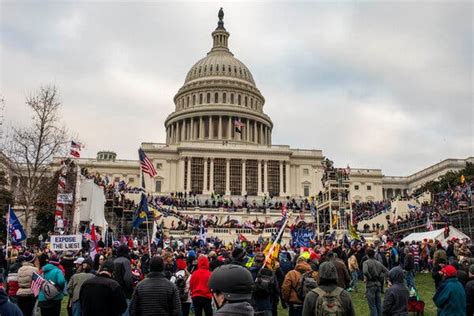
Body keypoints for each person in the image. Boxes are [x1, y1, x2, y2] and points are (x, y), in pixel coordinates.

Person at [363, 248, 388, 316]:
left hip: (370, 285)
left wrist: (369, 276)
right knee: (378, 304)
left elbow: (365, 271)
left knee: (372, 305)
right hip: (378, 284)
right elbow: (387, 271)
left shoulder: (366, 262)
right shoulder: (378, 263)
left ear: (367, 255)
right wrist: (380, 276)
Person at [16, 251, 39, 316]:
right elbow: (37, 283)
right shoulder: (35, 270)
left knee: (22, 312)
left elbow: (18, 280)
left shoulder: (20, 269)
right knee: (29, 312)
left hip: (20, 292)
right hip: (30, 293)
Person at [114, 244, 134, 315]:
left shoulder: (114, 261)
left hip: (114, 292)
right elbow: (128, 278)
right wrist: (131, 289)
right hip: (125, 293)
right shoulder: (126, 261)